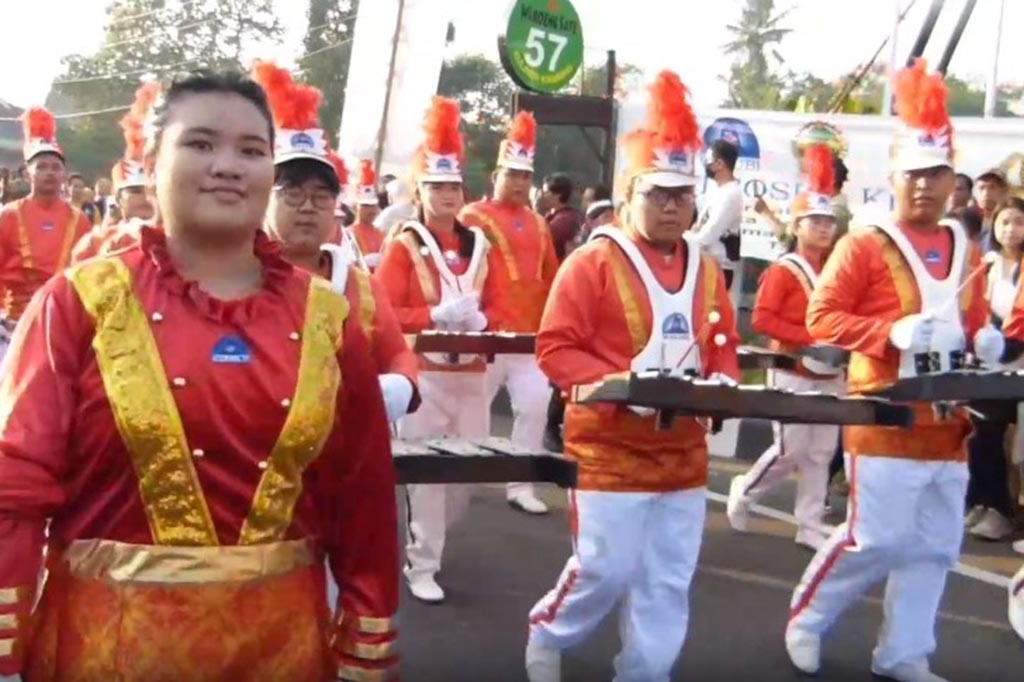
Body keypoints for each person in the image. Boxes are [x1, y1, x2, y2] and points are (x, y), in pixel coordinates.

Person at [0, 70, 398, 681]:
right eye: (201, 144)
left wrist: (365, 639)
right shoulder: (79, 303)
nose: (228, 166)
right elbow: (15, 486)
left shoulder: (327, 318)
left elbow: (361, 495)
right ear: (151, 159)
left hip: (282, 651)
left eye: (251, 150)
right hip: (108, 651)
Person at [524, 70, 739, 682]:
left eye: (680, 194)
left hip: (683, 456)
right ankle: (549, 629)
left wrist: (721, 383)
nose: (670, 206)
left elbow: (723, 341)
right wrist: (624, 382)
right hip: (608, 451)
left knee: (667, 579)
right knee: (604, 569)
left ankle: (644, 670)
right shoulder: (592, 261)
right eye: (657, 194)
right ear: (630, 195)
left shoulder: (706, 267)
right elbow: (555, 349)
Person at [785, 60, 991, 682]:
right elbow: (822, 319)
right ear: (893, 178)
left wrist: (987, 341)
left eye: (936, 175)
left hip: (947, 424)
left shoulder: (965, 245)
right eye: (912, 176)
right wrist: (887, 332)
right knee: (872, 540)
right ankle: (807, 619)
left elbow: (972, 319)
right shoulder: (864, 243)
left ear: (953, 178)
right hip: (883, 416)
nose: (924, 187)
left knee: (932, 550)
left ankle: (904, 654)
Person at [375, 96, 506, 604]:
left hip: (471, 375)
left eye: (454, 186)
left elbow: (498, 303)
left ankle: (433, 541)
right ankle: (421, 562)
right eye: (437, 187)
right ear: (421, 192)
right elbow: (384, 310)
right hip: (426, 374)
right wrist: (431, 317)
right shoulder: (403, 243)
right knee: (429, 478)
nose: (447, 195)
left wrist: (482, 319)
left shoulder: (480, 244)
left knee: (465, 479)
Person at [252, 59, 417, 424]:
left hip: (346, 445)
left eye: (321, 196)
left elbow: (397, 353)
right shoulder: (238, 274)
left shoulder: (359, 285)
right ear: (265, 197)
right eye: (293, 194)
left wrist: (401, 384)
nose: (308, 208)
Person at [727, 144, 844, 551]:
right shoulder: (783, 270)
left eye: (829, 221)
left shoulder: (837, 269)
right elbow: (762, 320)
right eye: (815, 221)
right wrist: (808, 338)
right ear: (798, 226)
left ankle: (809, 524)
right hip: (792, 370)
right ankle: (744, 491)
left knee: (822, 452)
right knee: (790, 450)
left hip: (831, 372)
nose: (825, 228)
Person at [460, 111, 559, 515]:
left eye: (525, 176)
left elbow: (552, 276)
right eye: (512, 174)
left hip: (528, 337)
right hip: (486, 336)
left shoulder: (539, 222)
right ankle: (461, 476)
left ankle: (520, 484)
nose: (519, 183)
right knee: (471, 410)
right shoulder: (472, 217)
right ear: (496, 174)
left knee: (535, 406)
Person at [0, 107, 90, 360]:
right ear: (29, 173)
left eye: (55, 167)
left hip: (62, 322)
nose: (50, 173)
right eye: (42, 167)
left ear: (64, 174)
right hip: (14, 322)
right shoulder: (8, 215)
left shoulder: (79, 220)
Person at [962, 198, 1024, 544]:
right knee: (981, 435)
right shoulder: (986, 263)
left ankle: (1004, 511)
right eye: (1004, 222)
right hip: (985, 365)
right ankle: (986, 502)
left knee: (1015, 448)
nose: (1011, 229)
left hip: (1017, 362)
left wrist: (1007, 347)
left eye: (1018, 222)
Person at [71, 82, 160, 263]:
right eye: (135, 191)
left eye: (149, 189)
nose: (145, 197)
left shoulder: (182, 243)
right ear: (118, 199)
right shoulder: (95, 243)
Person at [694, 138, 743, 287]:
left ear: (720, 164)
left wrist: (683, 245)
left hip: (719, 268)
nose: (706, 164)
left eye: (709, 160)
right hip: (705, 263)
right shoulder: (719, 191)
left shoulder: (732, 194)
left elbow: (710, 232)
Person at [348, 160, 385, 270]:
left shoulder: (380, 233)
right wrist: (364, 261)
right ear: (355, 207)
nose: (371, 210)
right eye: (366, 206)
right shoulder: (348, 234)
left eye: (373, 206)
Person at [542, 172, 582, 261]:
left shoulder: (565, 219)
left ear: (558, 194)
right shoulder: (552, 215)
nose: (543, 196)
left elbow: (543, 239)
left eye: (546, 193)